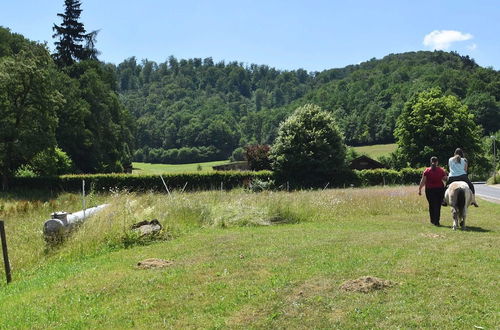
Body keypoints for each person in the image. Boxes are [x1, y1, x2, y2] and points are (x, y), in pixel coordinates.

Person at [419, 156, 448, 226]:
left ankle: (432, 220)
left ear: (430, 162)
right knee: (438, 205)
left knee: (431, 205)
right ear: (437, 162)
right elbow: (445, 179)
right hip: (440, 190)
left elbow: (423, 181)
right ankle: (437, 221)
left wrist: (420, 189)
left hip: (429, 190)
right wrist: (446, 174)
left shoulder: (426, 171)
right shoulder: (441, 170)